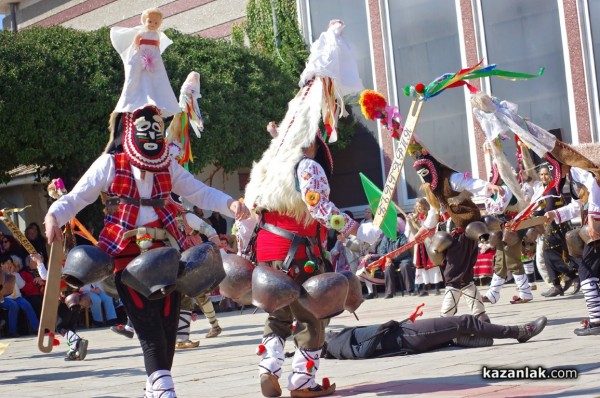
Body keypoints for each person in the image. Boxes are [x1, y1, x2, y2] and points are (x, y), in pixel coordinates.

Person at [44, 105, 249, 397]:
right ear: (129, 130)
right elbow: (77, 198)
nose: (152, 134)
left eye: (156, 127)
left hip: (166, 254)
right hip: (124, 255)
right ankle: (164, 388)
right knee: (148, 326)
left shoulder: (167, 165)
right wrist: (53, 215)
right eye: (145, 128)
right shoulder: (110, 163)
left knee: (167, 329)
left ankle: (155, 388)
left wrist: (230, 204)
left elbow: (197, 191)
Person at [243, 20, 379, 398]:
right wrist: (357, 230)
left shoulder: (271, 163)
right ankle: (302, 383)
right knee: (310, 316)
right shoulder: (307, 166)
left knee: (276, 315)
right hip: (298, 250)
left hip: (268, 251)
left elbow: (251, 207)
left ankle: (268, 368)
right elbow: (321, 209)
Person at [408, 139, 504, 322]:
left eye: (426, 173)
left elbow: (469, 182)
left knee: (452, 276)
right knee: (464, 277)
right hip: (451, 236)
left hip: (462, 234)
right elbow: (435, 212)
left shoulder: (450, 179)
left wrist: (487, 187)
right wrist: (422, 231)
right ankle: (481, 316)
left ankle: (445, 319)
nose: (425, 178)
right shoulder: (433, 189)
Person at [322, 314, 548, 360]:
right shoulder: (335, 343)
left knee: (456, 326)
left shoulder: (334, 343)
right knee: (464, 321)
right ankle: (518, 332)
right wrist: (384, 328)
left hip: (406, 336)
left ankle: (461, 339)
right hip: (407, 336)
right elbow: (362, 350)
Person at [545, 157, 600, 335]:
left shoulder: (580, 171)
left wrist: (592, 219)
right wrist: (556, 213)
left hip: (597, 227)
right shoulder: (575, 173)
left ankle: (597, 320)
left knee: (586, 271)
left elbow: (594, 187)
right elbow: (580, 204)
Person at [110, 8, 180, 117]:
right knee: (136, 71)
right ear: (144, 21)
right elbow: (137, 39)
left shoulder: (157, 34)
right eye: (150, 21)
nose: (153, 24)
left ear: (160, 23)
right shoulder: (142, 32)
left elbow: (157, 44)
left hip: (153, 55)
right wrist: (137, 45)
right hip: (141, 52)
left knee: (156, 74)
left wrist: (156, 51)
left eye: (156, 22)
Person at [534, 164, 579, 297]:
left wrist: (536, 214)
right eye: (541, 174)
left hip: (556, 227)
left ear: (552, 175)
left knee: (552, 254)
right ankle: (557, 284)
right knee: (548, 255)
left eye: (546, 174)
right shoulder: (545, 189)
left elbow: (548, 209)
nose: (543, 177)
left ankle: (572, 276)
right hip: (550, 226)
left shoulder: (552, 189)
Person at [370, 216, 415, 299]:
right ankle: (389, 292)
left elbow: (403, 251)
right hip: (390, 260)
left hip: (403, 258)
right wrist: (388, 259)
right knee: (388, 267)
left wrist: (391, 258)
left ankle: (410, 290)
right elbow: (382, 252)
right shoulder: (385, 238)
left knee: (405, 266)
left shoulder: (402, 236)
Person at [406, 198, 443, 296]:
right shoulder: (416, 218)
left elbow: (431, 229)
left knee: (433, 265)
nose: (418, 208)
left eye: (420, 206)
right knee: (421, 266)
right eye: (417, 206)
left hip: (429, 242)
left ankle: (437, 288)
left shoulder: (430, 215)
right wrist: (410, 223)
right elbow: (415, 233)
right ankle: (424, 288)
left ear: (425, 206)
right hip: (420, 245)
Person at [0, 254, 40, 336]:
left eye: (10, 264)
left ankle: (37, 328)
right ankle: (12, 331)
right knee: (13, 305)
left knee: (27, 304)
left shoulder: (15, 275)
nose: (8, 266)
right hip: (4, 298)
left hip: (17, 297)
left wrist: (13, 275)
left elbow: (22, 286)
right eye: (6, 264)